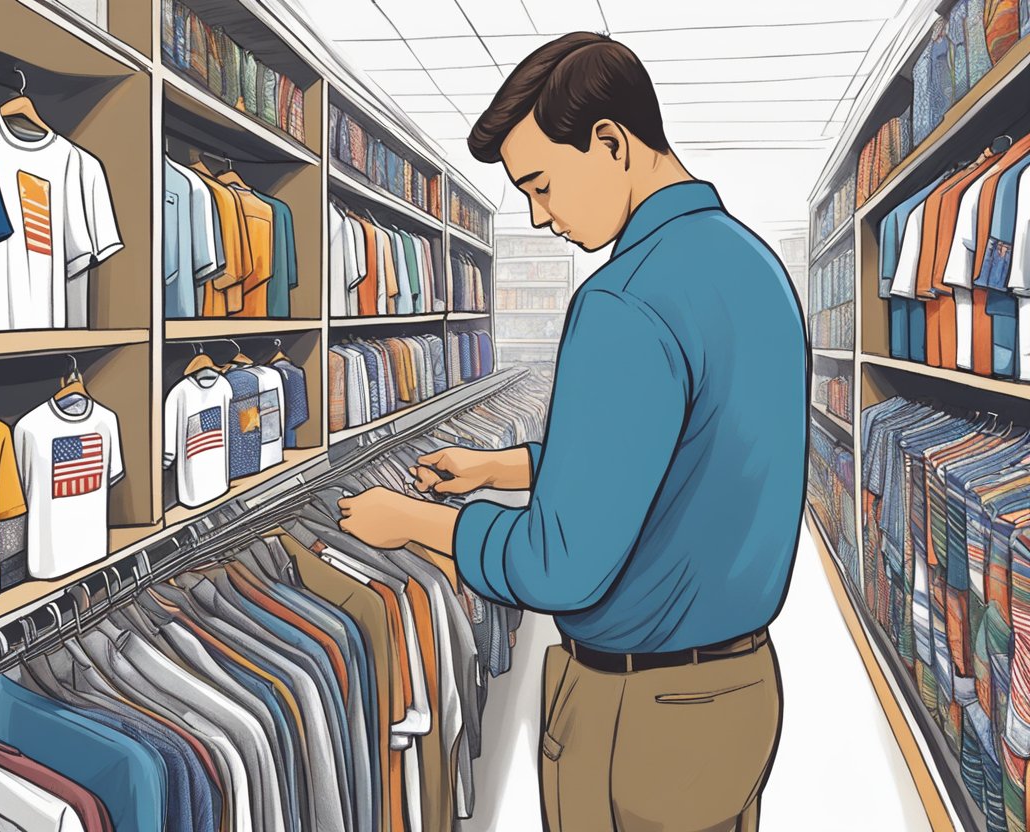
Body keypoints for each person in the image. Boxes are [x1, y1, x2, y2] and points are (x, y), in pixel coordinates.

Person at [337, 32, 809, 832]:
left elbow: (562, 568)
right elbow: (678, 460)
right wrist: (505, 467)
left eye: (542, 183)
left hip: (640, 713)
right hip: (739, 695)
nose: (538, 215)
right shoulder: (754, 267)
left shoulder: (624, 299)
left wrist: (419, 523)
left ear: (611, 143)